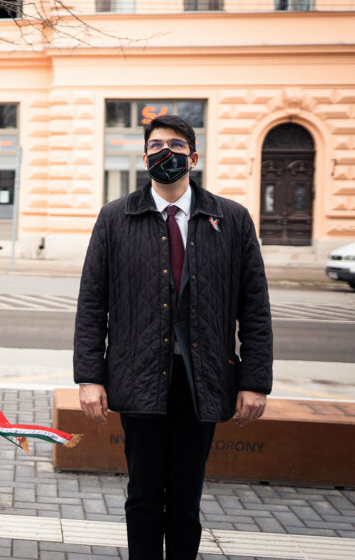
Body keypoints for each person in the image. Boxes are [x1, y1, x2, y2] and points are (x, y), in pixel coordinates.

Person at [74, 115, 273, 560]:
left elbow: (254, 309)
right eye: (157, 145)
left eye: (177, 145)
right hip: (139, 376)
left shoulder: (233, 219)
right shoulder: (115, 218)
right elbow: (92, 303)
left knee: (185, 502)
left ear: (194, 157)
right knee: (143, 497)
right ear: (144, 157)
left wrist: (255, 382)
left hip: (202, 380)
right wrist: (90, 377)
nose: (167, 152)